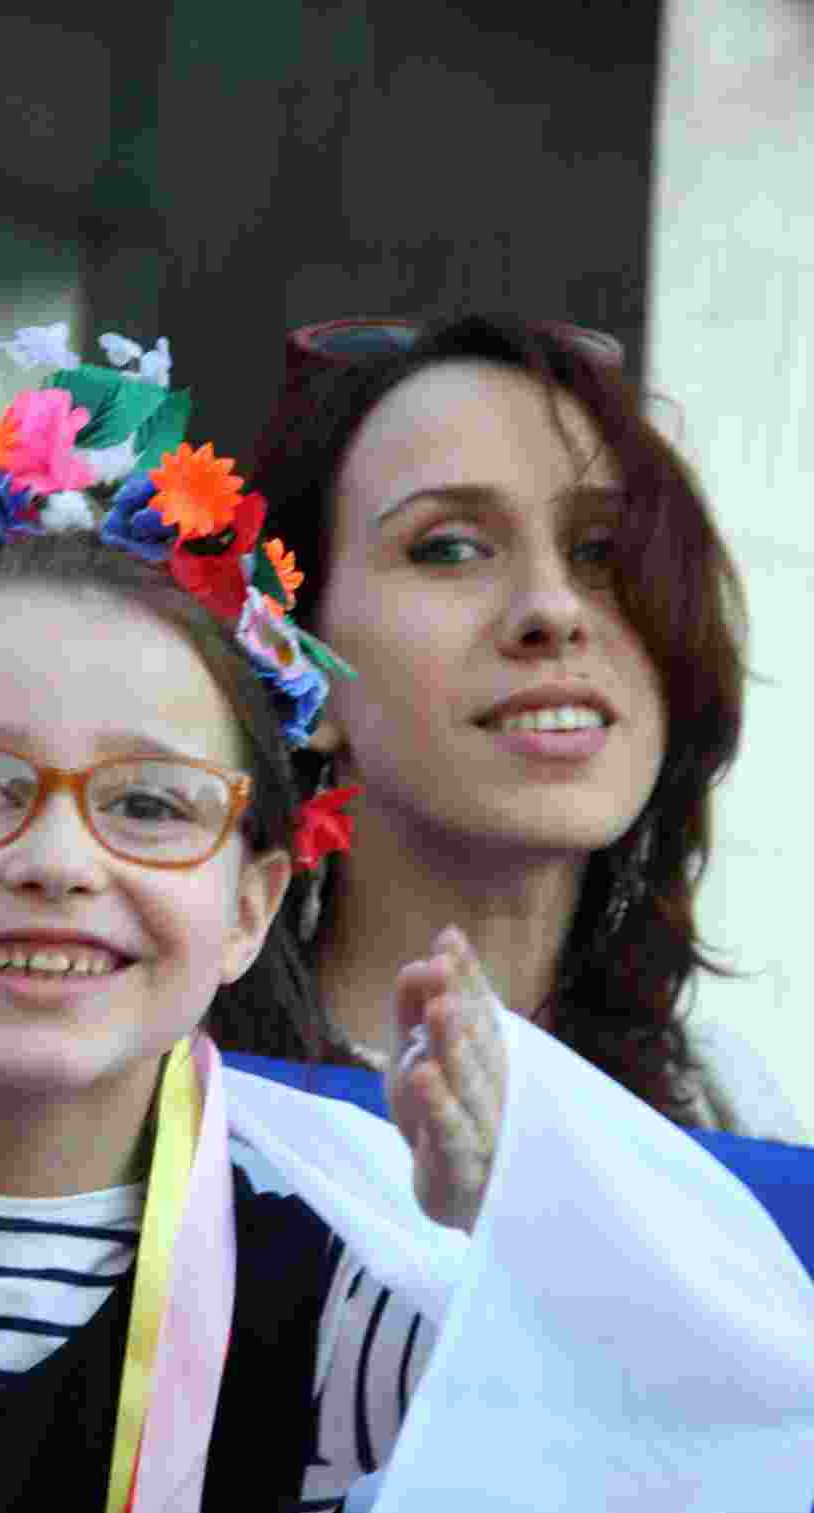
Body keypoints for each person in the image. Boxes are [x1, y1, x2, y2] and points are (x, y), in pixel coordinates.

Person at [0, 327, 812, 1513]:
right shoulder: (112, 1058)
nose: (59, 861)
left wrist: (533, 1250)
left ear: (250, 897)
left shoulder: (692, 1145)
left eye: (604, 552)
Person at [231, 312, 808, 1147]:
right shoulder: (160, 1110)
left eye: (602, 551)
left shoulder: (728, 1112)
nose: (553, 609)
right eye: (450, 548)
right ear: (295, 661)